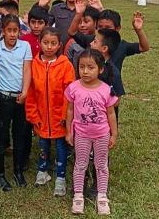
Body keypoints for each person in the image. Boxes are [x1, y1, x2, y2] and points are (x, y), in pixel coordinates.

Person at [66, 49, 118, 216]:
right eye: (81, 67)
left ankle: (102, 197)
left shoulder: (105, 90)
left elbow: (111, 113)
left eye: (90, 67)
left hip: (102, 134)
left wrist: (114, 134)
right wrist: (69, 131)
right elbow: (69, 111)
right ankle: (78, 196)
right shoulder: (73, 88)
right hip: (81, 134)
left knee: (101, 165)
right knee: (80, 165)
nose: (85, 71)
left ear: (100, 69)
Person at [25, 27, 75, 196]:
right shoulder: (34, 64)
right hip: (41, 116)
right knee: (43, 144)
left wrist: (64, 116)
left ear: (59, 45)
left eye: (53, 43)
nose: (49, 47)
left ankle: (60, 176)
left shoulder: (65, 65)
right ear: (39, 44)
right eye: (45, 43)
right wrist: (33, 115)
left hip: (59, 117)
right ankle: (42, 170)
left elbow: (69, 93)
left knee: (61, 146)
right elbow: (31, 92)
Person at [0, 14, 33, 190]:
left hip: (20, 98)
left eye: (16, 30)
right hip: (3, 98)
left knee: (20, 135)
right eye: (9, 30)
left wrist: (24, 92)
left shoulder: (25, 46)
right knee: (1, 136)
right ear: (3, 31)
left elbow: (27, 70)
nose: (13, 34)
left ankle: (18, 170)